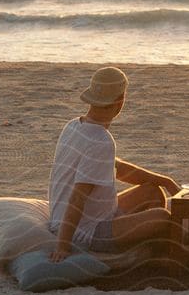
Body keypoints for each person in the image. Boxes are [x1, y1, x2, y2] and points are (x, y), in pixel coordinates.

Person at [48, 65, 179, 261]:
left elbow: (117, 167)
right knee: (163, 218)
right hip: (85, 232)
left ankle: (141, 241)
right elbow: (78, 196)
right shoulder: (101, 140)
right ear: (121, 101)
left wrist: (166, 181)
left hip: (91, 216)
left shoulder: (74, 125)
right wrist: (63, 246)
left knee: (153, 191)